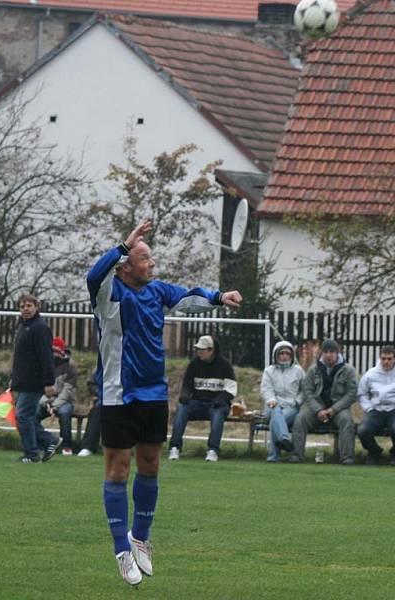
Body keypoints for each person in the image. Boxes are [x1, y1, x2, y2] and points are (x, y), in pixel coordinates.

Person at [87, 219, 241, 586]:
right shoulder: (109, 293)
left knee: (151, 465)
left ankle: (140, 537)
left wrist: (221, 297)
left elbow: (190, 295)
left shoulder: (156, 292)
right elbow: (95, 273)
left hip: (154, 393)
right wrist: (126, 243)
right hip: (117, 395)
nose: (152, 264)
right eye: (145, 258)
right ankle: (120, 550)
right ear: (126, 266)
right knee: (118, 471)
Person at [167, 335, 237, 463]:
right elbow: (187, 384)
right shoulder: (194, 364)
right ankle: (174, 447)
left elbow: (231, 390)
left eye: (202, 350)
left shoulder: (225, 366)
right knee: (182, 409)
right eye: (198, 349)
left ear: (211, 350)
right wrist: (185, 395)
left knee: (218, 414)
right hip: (197, 403)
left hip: (217, 405)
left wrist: (220, 400)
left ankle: (213, 450)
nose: (199, 352)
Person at [290, 339, 358, 465]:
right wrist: (318, 410)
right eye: (325, 352)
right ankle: (296, 455)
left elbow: (352, 394)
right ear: (321, 353)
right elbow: (307, 392)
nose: (328, 355)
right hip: (316, 406)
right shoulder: (313, 370)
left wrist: (334, 409)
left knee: (346, 421)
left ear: (338, 353)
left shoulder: (348, 370)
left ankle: (347, 457)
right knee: (300, 419)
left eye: (332, 352)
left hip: (338, 408)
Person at [10, 293, 59, 463]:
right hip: (23, 380)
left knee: (22, 416)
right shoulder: (23, 327)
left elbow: (46, 356)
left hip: (34, 381)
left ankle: (32, 454)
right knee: (25, 417)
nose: (25, 309)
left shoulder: (40, 327)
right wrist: (14, 379)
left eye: (29, 306)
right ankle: (48, 441)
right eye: (22, 306)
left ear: (36, 307)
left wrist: (48, 382)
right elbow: (20, 358)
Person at [356, 345, 395, 466]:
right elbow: (361, 394)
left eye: (389, 359)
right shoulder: (370, 374)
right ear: (380, 358)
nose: (386, 362)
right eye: (383, 358)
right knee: (362, 430)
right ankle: (374, 452)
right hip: (376, 410)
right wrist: (368, 408)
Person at [260, 340, 305, 462]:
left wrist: (297, 401)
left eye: (287, 354)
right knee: (275, 411)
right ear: (276, 354)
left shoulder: (298, 371)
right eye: (281, 353)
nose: (284, 356)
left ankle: (273, 456)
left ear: (291, 356)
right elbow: (266, 389)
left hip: (291, 406)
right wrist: (271, 400)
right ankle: (284, 438)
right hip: (273, 405)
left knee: (276, 420)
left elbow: (304, 390)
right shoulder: (269, 371)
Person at [35, 336, 77, 456]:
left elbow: (67, 392)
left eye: (56, 352)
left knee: (64, 413)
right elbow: (38, 390)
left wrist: (54, 406)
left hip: (64, 402)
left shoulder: (70, 368)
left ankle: (67, 446)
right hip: (45, 401)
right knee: (34, 413)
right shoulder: (41, 366)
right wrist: (47, 403)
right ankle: (40, 442)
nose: (53, 355)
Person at [77, 374, 102, 457]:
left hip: (132, 398)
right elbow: (92, 383)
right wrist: (101, 393)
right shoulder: (104, 363)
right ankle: (88, 447)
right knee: (96, 411)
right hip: (106, 399)